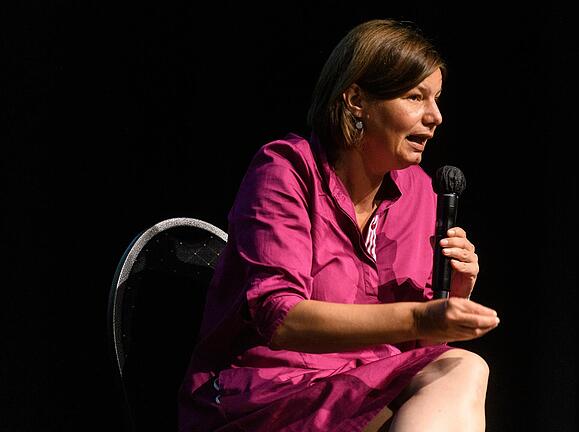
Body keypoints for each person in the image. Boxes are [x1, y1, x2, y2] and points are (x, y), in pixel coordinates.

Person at [178, 19, 500, 432]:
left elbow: (417, 350)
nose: (435, 116)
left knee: (460, 367)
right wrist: (422, 317)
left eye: (437, 99)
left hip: (363, 387)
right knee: (459, 371)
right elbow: (282, 317)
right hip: (270, 393)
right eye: (415, 97)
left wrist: (449, 297)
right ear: (356, 100)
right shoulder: (287, 171)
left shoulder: (420, 192)